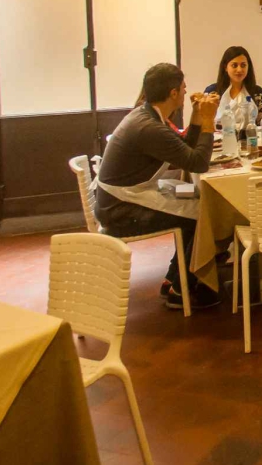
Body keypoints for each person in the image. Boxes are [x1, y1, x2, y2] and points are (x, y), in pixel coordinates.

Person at [96, 63, 224, 309]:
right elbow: (198, 163)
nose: (186, 91)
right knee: (202, 213)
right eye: (183, 88)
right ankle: (181, 289)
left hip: (124, 197)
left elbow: (184, 146)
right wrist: (208, 120)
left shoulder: (147, 115)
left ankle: (174, 279)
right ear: (173, 93)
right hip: (121, 209)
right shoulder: (149, 127)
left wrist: (197, 114)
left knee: (196, 196)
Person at [204, 45, 262, 122]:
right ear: (225, 67)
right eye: (234, 65)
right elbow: (204, 122)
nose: (239, 70)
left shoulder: (258, 93)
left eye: (243, 65)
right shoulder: (212, 92)